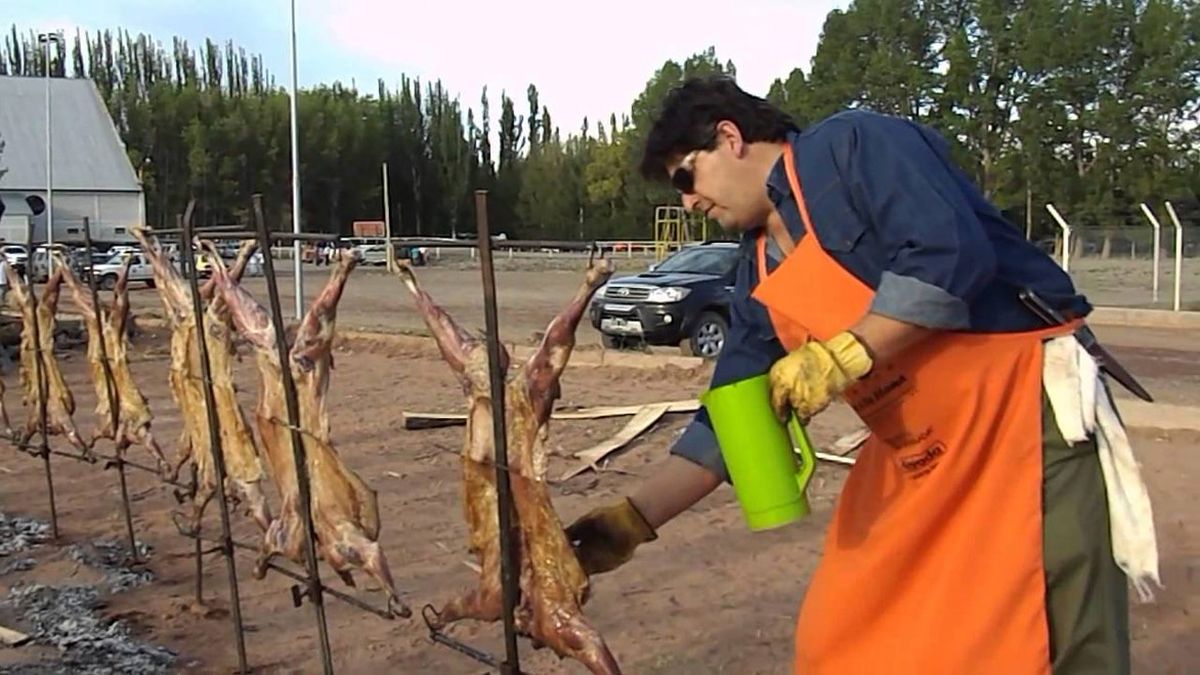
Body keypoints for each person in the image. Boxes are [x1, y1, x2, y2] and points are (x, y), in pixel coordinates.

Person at [564, 76, 1159, 674]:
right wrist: (630, 522)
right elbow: (732, 418)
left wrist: (844, 354)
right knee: (845, 634)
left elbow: (949, 253)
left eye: (685, 177)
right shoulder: (757, 270)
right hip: (919, 456)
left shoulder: (851, 148)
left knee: (1058, 630)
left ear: (730, 137)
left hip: (1024, 416)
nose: (688, 201)